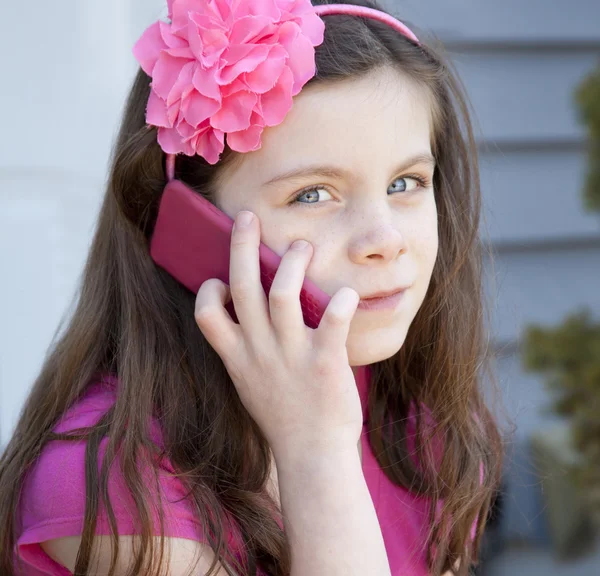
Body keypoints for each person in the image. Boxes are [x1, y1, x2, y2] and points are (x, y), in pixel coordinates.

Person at [0, 0, 503, 574]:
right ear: (192, 225)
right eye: (312, 194)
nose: (384, 239)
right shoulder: (116, 486)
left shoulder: (417, 426)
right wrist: (317, 455)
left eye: (406, 182)